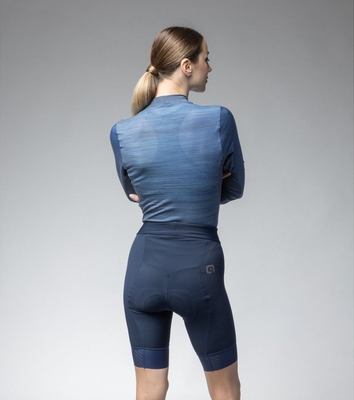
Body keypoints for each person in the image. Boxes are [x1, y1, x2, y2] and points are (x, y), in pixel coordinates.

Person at [110, 26, 245, 400]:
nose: (209, 67)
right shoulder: (219, 120)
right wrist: (203, 185)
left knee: (150, 388)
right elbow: (235, 188)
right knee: (225, 389)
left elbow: (136, 195)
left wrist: (166, 188)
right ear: (187, 66)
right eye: (206, 59)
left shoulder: (122, 131)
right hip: (198, 268)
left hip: (143, 269)